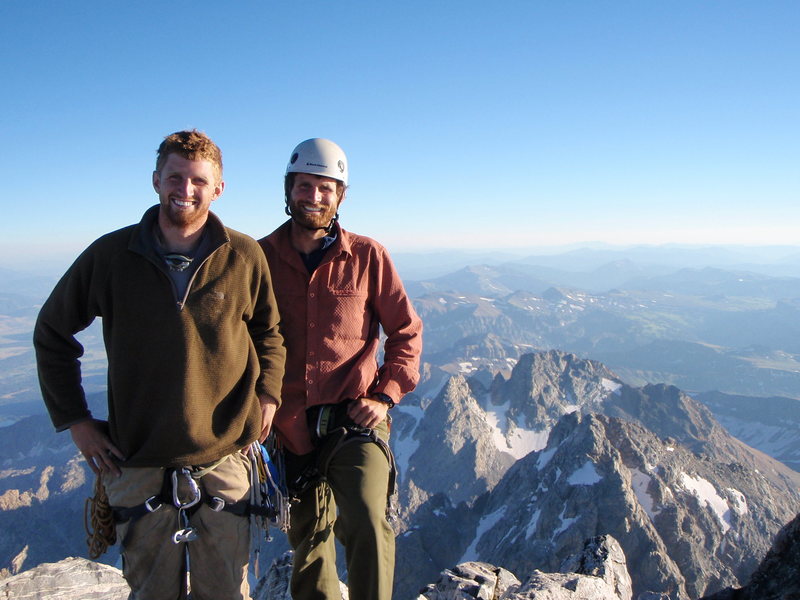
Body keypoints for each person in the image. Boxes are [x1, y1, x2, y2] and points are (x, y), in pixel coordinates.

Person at [33, 129, 286, 600]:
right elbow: (52, 332)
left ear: (219, 188)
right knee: (151, 593)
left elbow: (269, 333)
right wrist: (76, 421)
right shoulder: (112, 256)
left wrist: (268, 393)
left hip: (225, 455)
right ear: (155, 180)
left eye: (198, 180)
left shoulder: (243, 255)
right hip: (139, 459)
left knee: (226, 591)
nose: (185, 190)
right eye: (175, 177)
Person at [258, 138, 423, 600]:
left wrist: (385, 394)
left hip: (354, 418)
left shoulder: (368, 257)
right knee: (309, 548)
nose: (313, 196)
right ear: (289, 190)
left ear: (340, 196)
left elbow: (406, 331)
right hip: (288, 428)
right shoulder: (260, 258)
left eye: (325, 188)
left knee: (369, 520)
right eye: (305, 186)